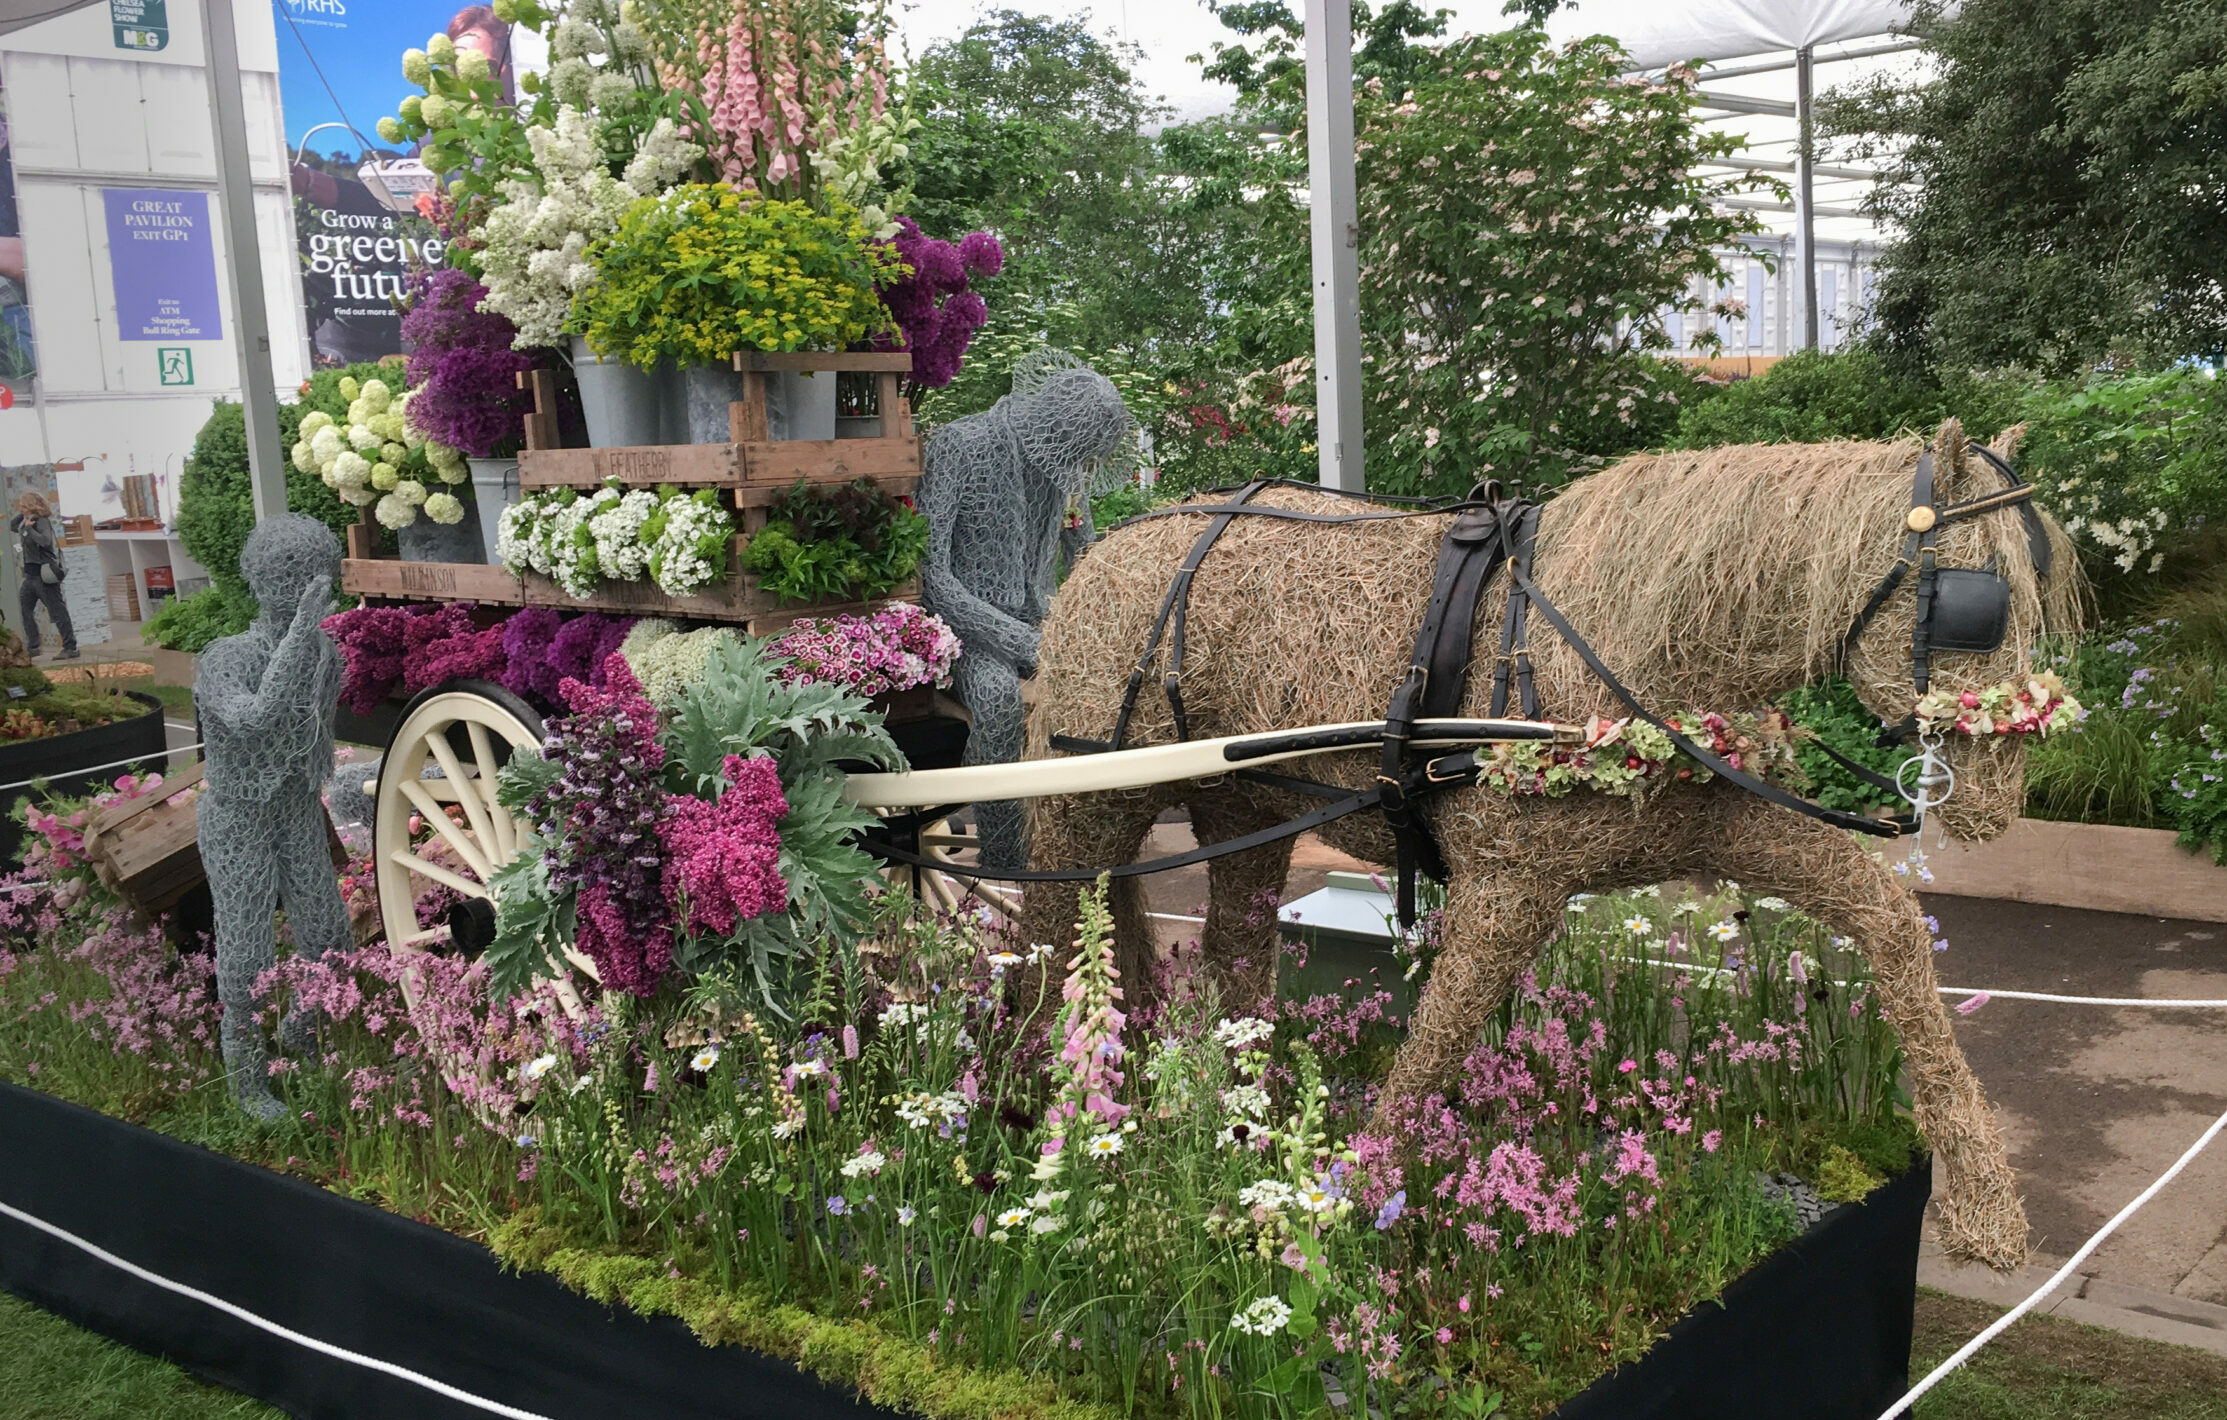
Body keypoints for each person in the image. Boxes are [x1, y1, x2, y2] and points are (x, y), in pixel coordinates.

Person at [10, 492, 75, 660]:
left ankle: (70, 647)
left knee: (57, 610)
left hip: (44, 575)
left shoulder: (42, 522)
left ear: (32, 506)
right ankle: (33, 647)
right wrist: (24, 515)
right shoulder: (26, 521)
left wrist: (31, 527)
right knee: (25, 610)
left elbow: (45, 542)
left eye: (24, 506)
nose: (21, 509)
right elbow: (12, 526)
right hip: (30, 576)